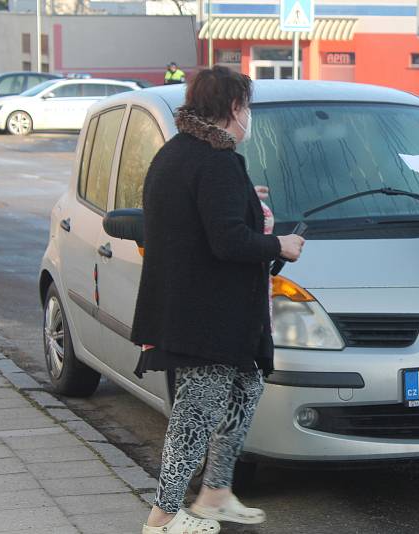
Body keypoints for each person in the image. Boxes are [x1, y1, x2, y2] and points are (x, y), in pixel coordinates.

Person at [132, 66, 305, 534]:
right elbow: (228, 241)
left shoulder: (179, 152)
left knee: (246, 387)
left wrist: (248, 200)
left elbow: (200, 213)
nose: (248, 116)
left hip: (200, 309)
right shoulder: (216, 160)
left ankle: (216, 493)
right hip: (208, 316)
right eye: (245, 106)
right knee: (197, 412)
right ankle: (164, 516)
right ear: (233, 109)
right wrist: (279, 246)